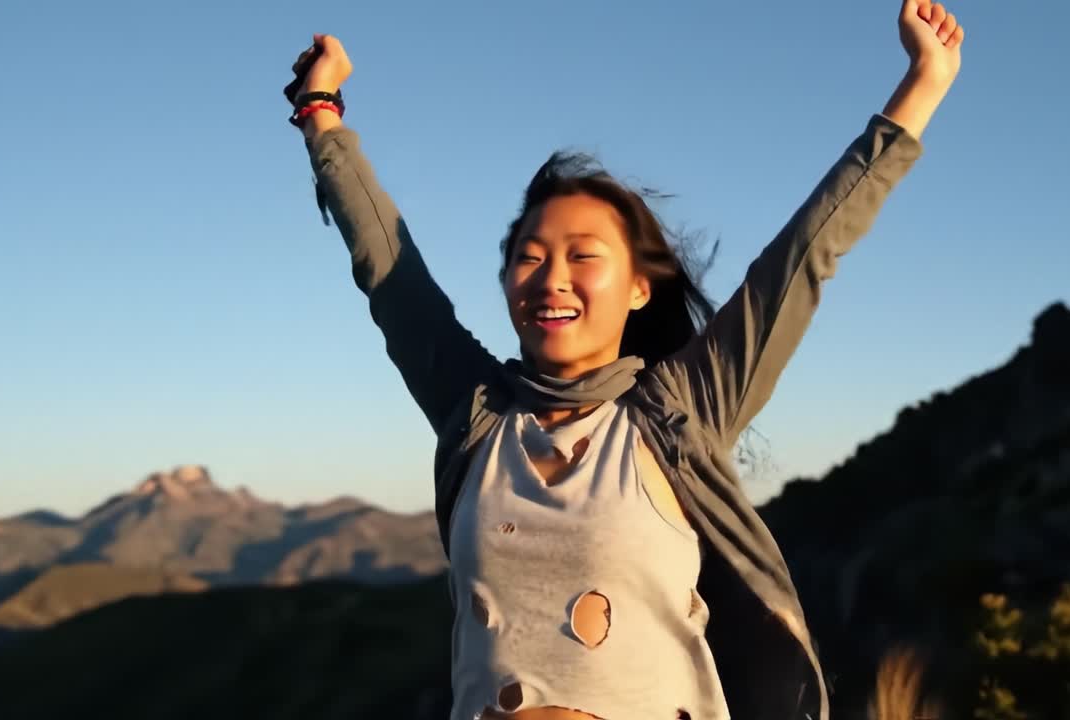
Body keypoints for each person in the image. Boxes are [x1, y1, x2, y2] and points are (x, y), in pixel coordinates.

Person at [287, 1, 963, 717]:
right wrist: (321, 112)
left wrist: (922, 85)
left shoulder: (680, 409)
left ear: (640, 286)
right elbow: (389, 270)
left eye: (583, 256)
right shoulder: (476, 416)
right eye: (530, 256)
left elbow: (803, 258)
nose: (551, 277)